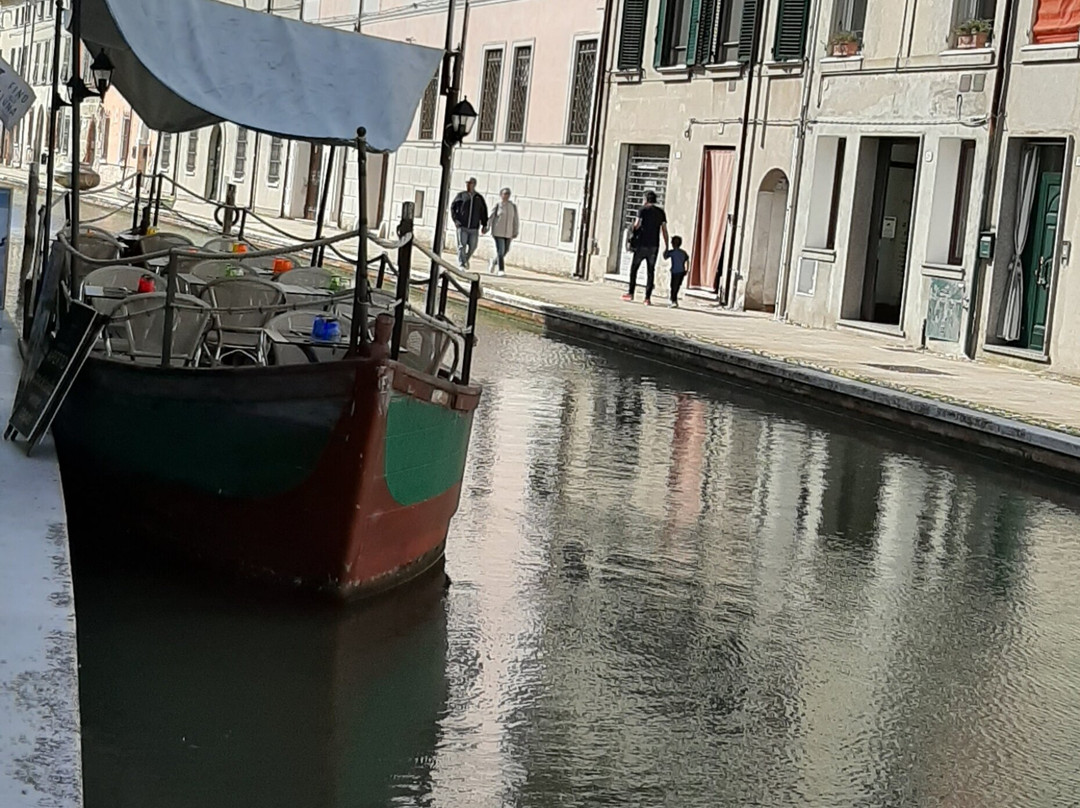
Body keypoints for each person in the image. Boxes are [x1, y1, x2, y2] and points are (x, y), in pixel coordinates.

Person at [622, 190, 669, 305]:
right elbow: (664, 230)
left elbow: (637, 225)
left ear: (646, 199)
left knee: (634, 269)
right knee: (650, 271)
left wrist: (630, 230)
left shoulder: (642, 210)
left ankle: (631, 293)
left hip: (641, 245)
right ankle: (647, 298)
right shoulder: (660, 212)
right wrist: (667, 245)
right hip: (654, 246)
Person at [451, 178, 488, 270]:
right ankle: (462, 264)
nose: (468, 185)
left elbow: (483, 211)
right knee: (461, 245)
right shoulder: (461, 196)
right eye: (467, 183)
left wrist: (484, 224)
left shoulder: (478, 198)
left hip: (474, 227)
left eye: (470, 183)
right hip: (462, 226)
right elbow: (453, 207)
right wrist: (456, 221)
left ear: (474, 184)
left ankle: (465, 260)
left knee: (473, 246)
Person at [487, 187, 520, 276]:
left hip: (508, 233)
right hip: (498, 232)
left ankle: (494, 262)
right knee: (500, 251)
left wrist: (515, 230)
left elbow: (515, 219)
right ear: (501, 195)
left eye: (508, 194)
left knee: (505, 250)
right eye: (504, 194)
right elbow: (491, 216)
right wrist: (487, 226)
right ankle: (501, 270)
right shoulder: (498, 205)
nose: (506, 196)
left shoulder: (512, 206)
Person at [664, 235, 689, 308]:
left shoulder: (672, 252)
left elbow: (665, 256)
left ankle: (673, 300)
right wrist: (687, 270)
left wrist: (666, 248)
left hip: (675, 272)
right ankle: (674, 300)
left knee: (673, 286)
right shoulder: (683, 252)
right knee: (676, 286)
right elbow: (687, 260)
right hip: (681, 272)